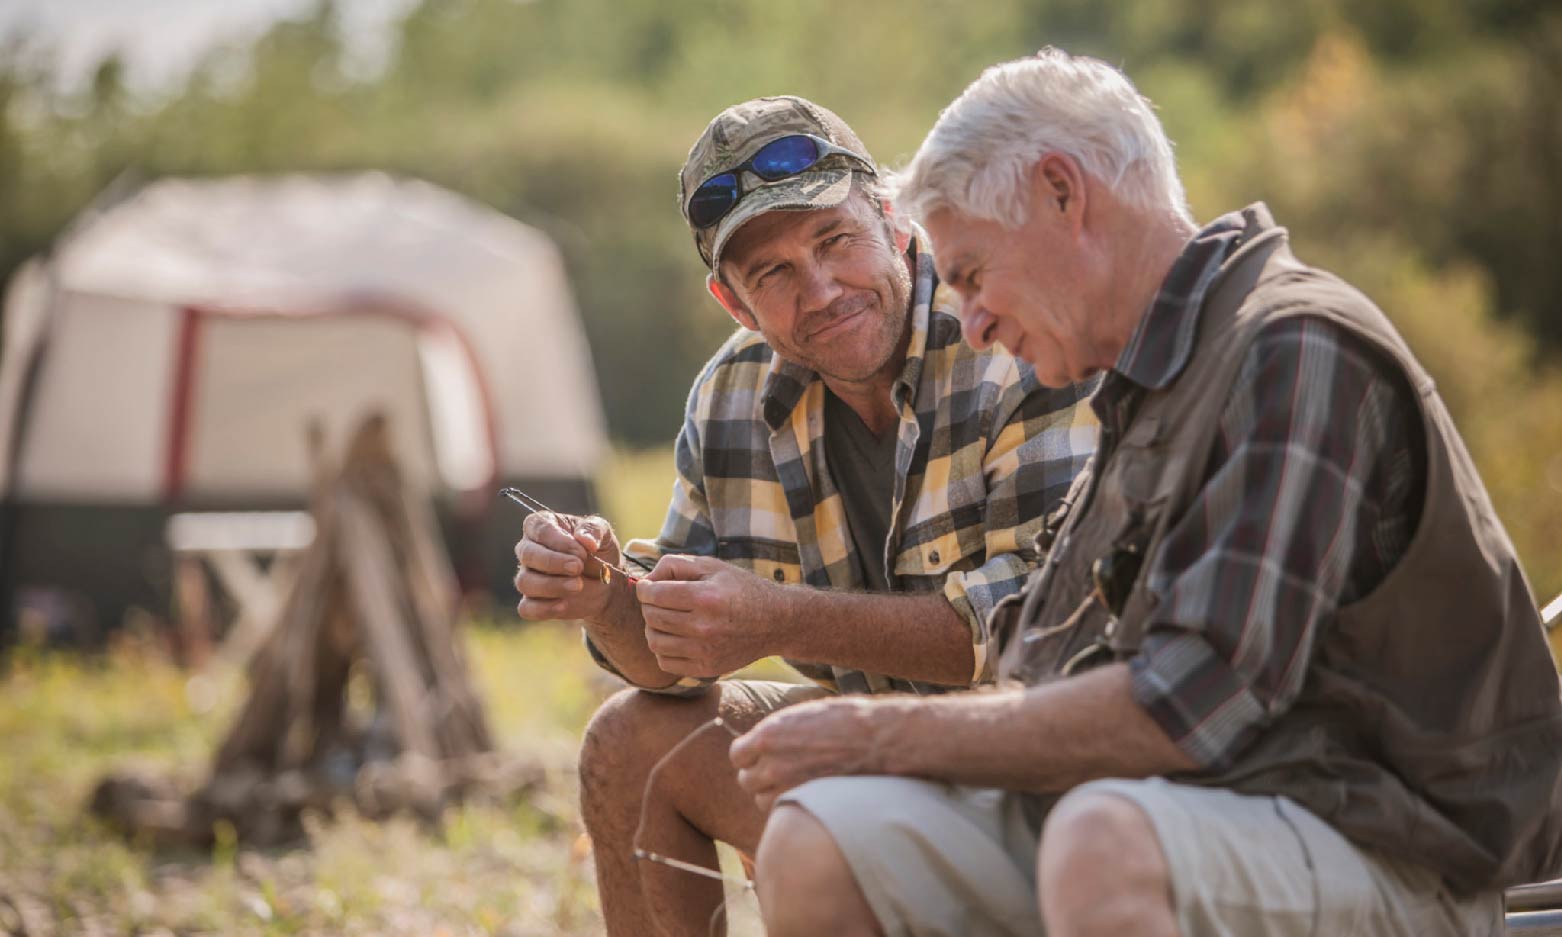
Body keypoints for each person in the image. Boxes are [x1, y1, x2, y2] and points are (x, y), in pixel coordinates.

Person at [732, 50, 1562, 937]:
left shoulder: (1297, 347)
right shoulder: (1144, 387)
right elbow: (1036, 672)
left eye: (972, 273)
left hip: (1392, 852)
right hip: (1173, 808)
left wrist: (878, 736)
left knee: (1103, 841)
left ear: (1063, 192)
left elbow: (1186, 703)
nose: (969, 322)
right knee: (818, 839)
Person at [511, 94, 1097, 936]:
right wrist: (607, 597)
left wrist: (783, 620)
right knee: (630, 742)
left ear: (894, 221)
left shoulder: (1008, 334)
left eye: (835, 241)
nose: (821, 290)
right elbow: (672, 665)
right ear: (734, 302)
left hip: (1045, 764)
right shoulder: (729, 396)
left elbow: (1043, 628)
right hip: (869, 757)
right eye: (774, 274)